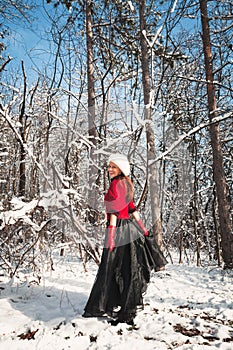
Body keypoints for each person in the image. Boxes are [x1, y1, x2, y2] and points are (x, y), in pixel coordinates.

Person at [82, 153, 167, 325]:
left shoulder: (115, 184)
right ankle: (126, 306)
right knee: (130, 269)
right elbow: (131, 208)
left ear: (121, 168)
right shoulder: (127, 183)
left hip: (119, 229)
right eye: (109, 166)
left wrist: (112, 236)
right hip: (130, 229)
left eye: (113, 166)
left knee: (111, 268)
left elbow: (115, 211)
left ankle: (104, 306)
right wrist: (142, 228)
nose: (110, 169)